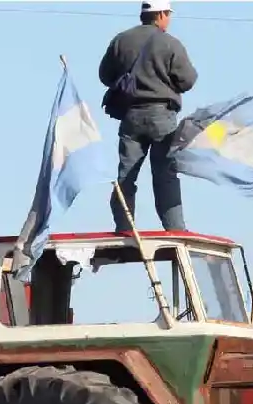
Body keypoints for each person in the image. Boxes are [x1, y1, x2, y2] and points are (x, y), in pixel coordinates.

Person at [98, 0, 198, 234]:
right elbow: (188, 80)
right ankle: (175, 229)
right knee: (165, 174)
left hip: (131, 116)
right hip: (162, 116)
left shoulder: (121, 40)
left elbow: (104, 75)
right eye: (168, 14)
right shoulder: (170, 43)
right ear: (161, 14)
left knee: (126, 174)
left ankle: (124, 227)